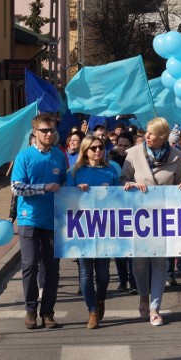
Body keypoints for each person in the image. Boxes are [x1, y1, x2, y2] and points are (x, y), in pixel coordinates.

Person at [121, 117, 181, 326]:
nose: (146, 136)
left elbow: (179, 181)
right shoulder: (133, 153)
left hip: (163, 217)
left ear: (162, 137)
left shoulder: (177, 156)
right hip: (138, 217)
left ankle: (155, 308)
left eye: (151, 134)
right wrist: (131, 183)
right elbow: (122, 180)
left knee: (160, 263)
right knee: (140, 263)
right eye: (146, 133)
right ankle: (143, 295)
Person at [11, 113, 67, 329]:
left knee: (52, 268)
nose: (49, 134)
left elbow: (65, 183)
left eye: (52, 130)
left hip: (53, 219)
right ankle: (31, 310)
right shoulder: (24, 157)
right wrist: (43, 188)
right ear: (35, 132)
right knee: (30, 264)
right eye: (45, 130)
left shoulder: (59, 156)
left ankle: (48, 312)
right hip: (29, 219)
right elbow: (16, 187)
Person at [67, 135, 118, 329]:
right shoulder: (74, 172)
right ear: (85, 151)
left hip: (104, 229)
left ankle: (101, 299)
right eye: (93, 148)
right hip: (82, 230)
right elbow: (65, 199)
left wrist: (127, 187)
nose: (98, 151)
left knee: (103, 275)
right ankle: (92, 310)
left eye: (101, 147)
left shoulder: (110, 170)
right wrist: (75, 190)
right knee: (86, 273)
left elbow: (119, 196)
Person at [107, 131, 137, 294]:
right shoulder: (109, 161)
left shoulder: (135, 160)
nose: (122, 148)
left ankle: (133, 281)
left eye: (126, 145)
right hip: (114, 208)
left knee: (131, 246)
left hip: (132, 206)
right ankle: (122, 280)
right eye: (120, 145)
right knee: (118, 247)